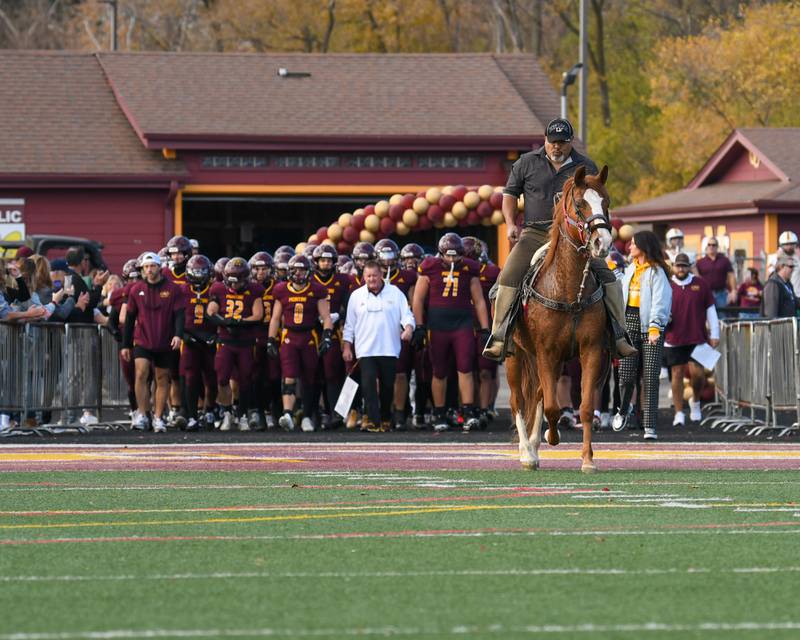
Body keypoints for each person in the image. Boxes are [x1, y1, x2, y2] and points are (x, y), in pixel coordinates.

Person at [483, 117, 635, 360]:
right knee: (509, 275)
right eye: (552, 142)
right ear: (545, 140)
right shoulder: (526, 163)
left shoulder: (585, 166)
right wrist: (511, 223)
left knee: (609, 278)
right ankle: (500, 335)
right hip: (535, 232)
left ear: (570, 142)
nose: (557, 147)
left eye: (562, 142)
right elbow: (510, 195)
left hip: (574, 236)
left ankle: (619, 335)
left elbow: (595, 200)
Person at [412, 233, 490, 433]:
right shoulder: (429, 267)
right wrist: (420, 325)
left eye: (456, 256)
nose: (452, 260)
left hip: (462, 324)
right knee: (439, 371)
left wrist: (484, 328)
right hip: (437, 325)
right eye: (449, 256)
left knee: (465, 368)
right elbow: (418, 299)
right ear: (440, 254)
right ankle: (439, 413)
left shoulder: (469, 268)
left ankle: (469, 412)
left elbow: (479, 300)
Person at [613, 230, 672, 440]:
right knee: (626, 376)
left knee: (650, 377)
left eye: (633, 244)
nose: (629, 247)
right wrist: (611, 270)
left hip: (650, 327)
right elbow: (621, 289)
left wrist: (655, 327)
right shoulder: (631, 269)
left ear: (643, 247)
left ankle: (650, 427)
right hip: (629, 322)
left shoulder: (657, 272)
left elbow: (661, 301)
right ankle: (624, 408)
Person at [343, 261, 414, 432]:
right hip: (365, 349)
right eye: (368, 276)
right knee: (368, 384)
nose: (371, 279)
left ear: (381, 275)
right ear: (363, 277)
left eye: (374, 275)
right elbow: (349, 325)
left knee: (387, 386)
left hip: (389, 348)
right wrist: (347, 346)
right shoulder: (356, 296)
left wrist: (409, 329)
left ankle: (385, 418)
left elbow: (407, 315)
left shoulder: (395, 293)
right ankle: (373, 421)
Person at [267, 254, 333, 432]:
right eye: (295, 270)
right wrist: (271, 339)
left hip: (309, 336)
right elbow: (275, 318)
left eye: (302, 270)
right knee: (288, 376)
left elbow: (326, 317)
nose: (299, 274)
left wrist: (327, 335)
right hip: (289, 336)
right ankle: (288, 414)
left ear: (309, 272)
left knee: (308, 379)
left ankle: (306, 416)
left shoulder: (316, 290)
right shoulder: (281, 290)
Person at [121, 252, 185, 433]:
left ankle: (158, 417)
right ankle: (142, 414)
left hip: (165, 339)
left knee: (162, 378)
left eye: (152, 266)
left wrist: (178, 335)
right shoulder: (135, 289)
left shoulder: (173, 289)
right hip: (142, 339)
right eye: (146, 267)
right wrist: (126, 344)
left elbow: (179, 314)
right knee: (140, 373)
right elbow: (130, 317)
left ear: (160, 268)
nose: (149, 270)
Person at [207, 257, 264, 432]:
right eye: (231, 281)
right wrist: (225, 322)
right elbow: (210, 312)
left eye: (238, 281)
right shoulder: (217, 288)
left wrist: (238, 322)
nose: (234, 286)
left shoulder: (255, 290)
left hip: (245, 342)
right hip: (225, 341)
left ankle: (243, 414)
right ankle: (226, 412)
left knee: (246, 379)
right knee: (222, 378)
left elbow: (258, 315)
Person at [664, 253, 719, 426]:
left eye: (684, 265)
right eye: (678, 266)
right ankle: (679, 413)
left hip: (697, 337)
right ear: (673, 266)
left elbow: (710, 308)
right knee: (676, 375)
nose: (681, 269)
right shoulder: (666, 285)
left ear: (689, 266)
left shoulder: (701, 284)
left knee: (698, 376)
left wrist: (715, 333)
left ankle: (695, 402)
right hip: (674, 338)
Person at [375, 238, 417, 429]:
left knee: (400, 374)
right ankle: (382, 411)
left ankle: (399, 412)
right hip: (376, 330)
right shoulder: (369, 276)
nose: (387, 260)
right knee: (378, 375)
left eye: (390, 255)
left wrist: (411, 325)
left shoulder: (407, 276)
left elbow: (413, 302)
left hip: (398, 330)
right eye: (383, 256)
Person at [180, 255, 218, 431]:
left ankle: (210, 409)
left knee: (212, 378)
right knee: (190, 378)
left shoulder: (215, 290)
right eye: (195, 271)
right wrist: (183, 335)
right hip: (190, 340)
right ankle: (192, 416)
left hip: (210, 339)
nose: (198, 274)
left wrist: (217, 335)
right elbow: (176, 317)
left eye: (201, 271)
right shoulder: (182, 290)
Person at [695, 236, 736, 311]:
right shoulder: (700, 262)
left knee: (722, 316)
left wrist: (733, 291)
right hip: (706, 294)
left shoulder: (724, 260)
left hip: (721, 293)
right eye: (709, 245)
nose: (711, 247)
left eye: (713, 245)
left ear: (717, 247)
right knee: (707, 316)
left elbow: (731, 275)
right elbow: (696, 278)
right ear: (706, 247)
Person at [766, 231, 800, 297]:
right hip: (782, 296)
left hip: (797, 296)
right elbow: (769, 277)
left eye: (792, 244)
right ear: (781, 245)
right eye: (786, 244)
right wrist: (777, 260)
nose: (789, 247)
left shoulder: (798, 257)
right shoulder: (773, 257)